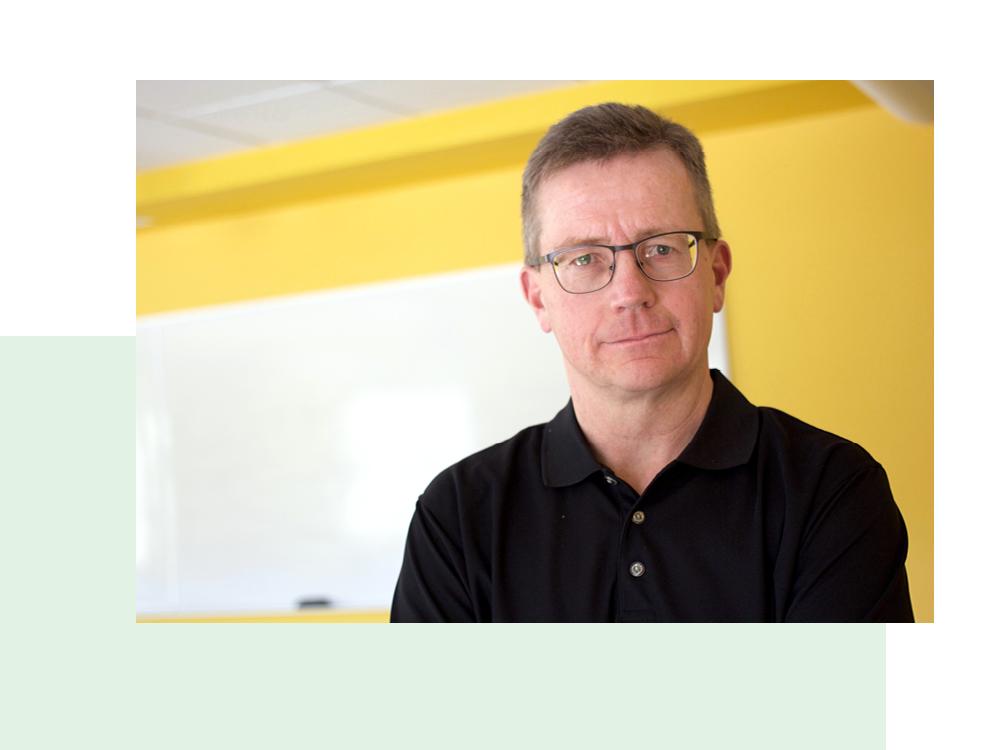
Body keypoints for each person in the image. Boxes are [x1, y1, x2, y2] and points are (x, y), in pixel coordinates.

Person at [390, 102, 914, 622]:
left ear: (717, 273)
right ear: (538, 299)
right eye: (584, 258)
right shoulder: (457, 517)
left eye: (661, 248)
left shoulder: (833, 489)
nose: (629, 292)